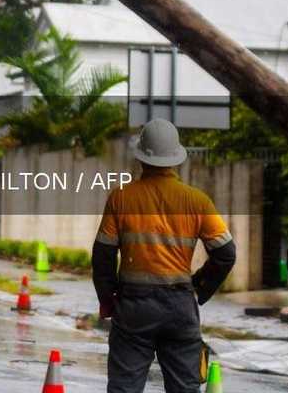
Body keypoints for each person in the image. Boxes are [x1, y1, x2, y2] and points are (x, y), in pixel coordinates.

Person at [93, 119, 236, 393]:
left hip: (133, 307)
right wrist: (198, 288)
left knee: (125, 387)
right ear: (175, 158)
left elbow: (103, 256)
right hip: (180, 307)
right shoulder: (198, 201)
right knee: (184, 387)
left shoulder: (121, 198)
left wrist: (107, 298)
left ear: (142, 157)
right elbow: (226, 254)